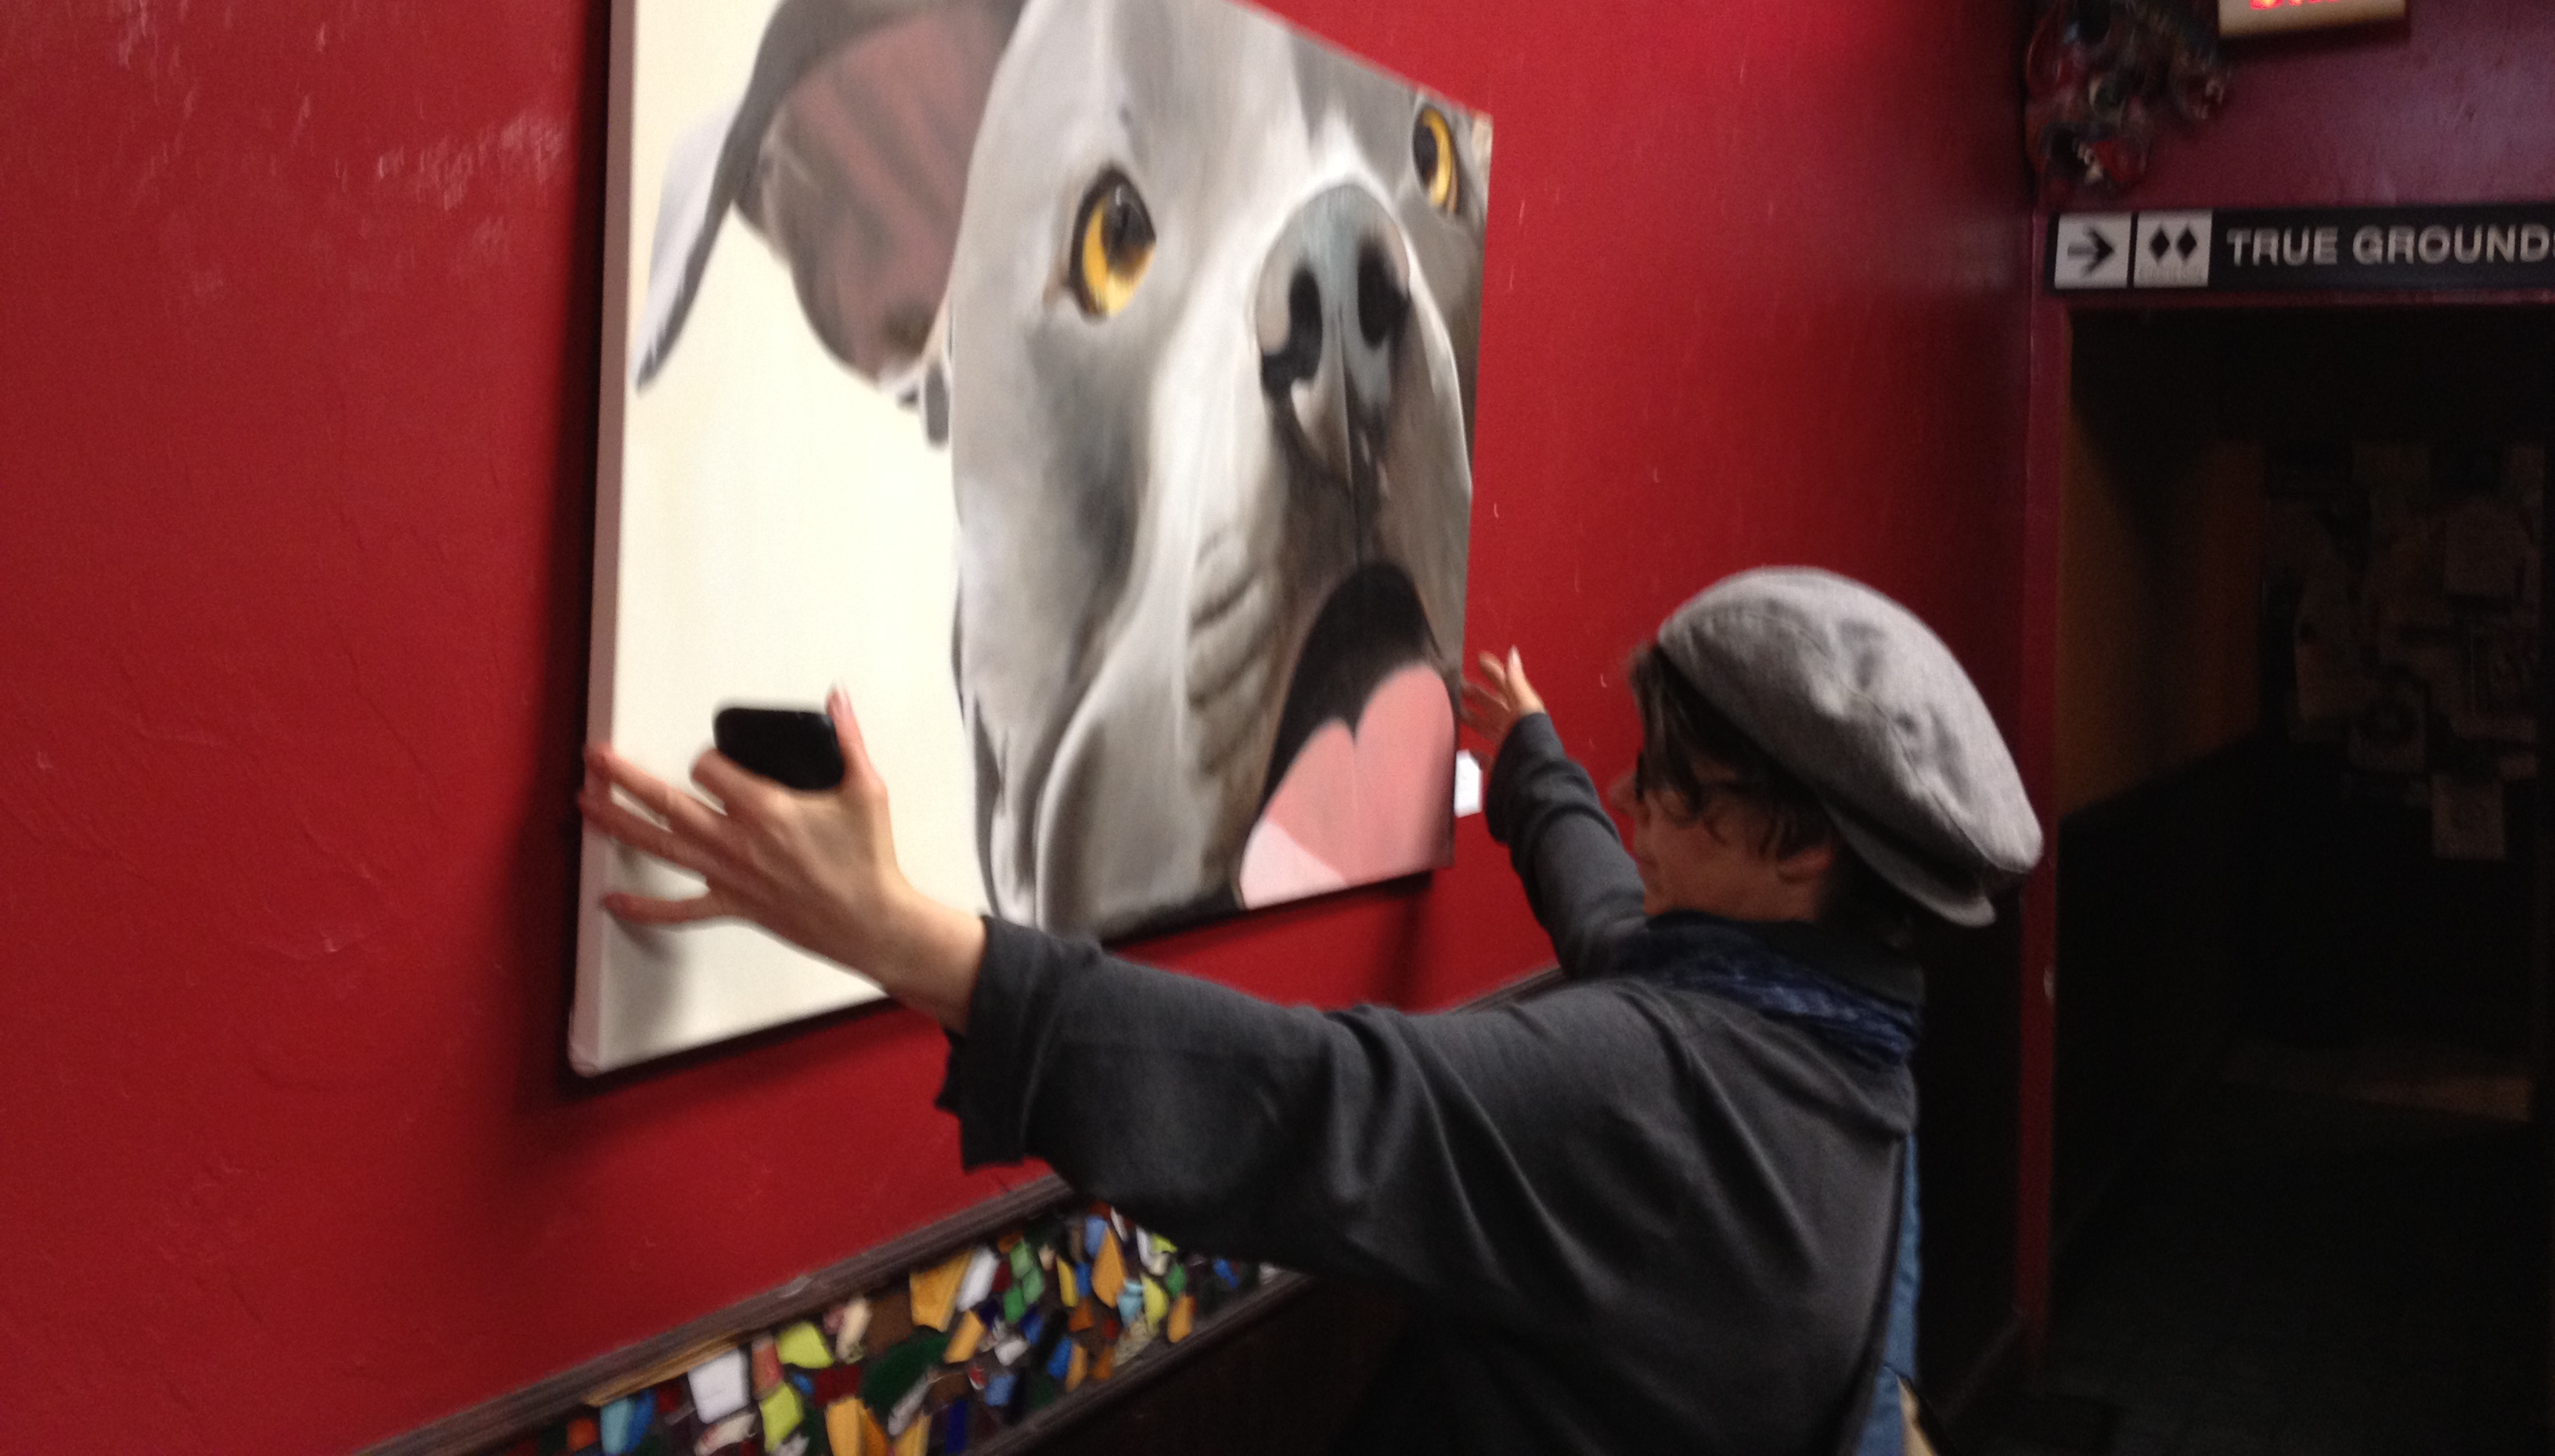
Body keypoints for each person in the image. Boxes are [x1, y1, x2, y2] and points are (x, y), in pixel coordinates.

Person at [580, 568, 2041, 1454]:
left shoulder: (1660, 1102)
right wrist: (1534, 764)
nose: (1636, 801)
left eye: (1674, 784)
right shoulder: (1838, 1046)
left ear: (1803, 851)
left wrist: (898, 932)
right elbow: (1622, 942)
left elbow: (1316, 1102)